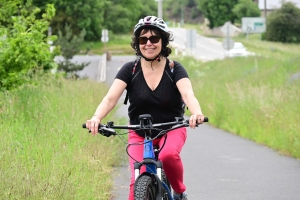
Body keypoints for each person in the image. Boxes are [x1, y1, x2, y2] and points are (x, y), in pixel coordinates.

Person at [86, 16, 205, 200]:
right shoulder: (130, 69)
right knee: (136, 182)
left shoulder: (174, 69)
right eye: (143, 39)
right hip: (139, 132)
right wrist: (96, 117)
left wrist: (196, 113)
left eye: (154, 39)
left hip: (171, 128)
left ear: (163, 41)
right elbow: (110, 99)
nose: (148, 43)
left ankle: (180, 192)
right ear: (138, 43)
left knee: (168, 156)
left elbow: (188, 95)